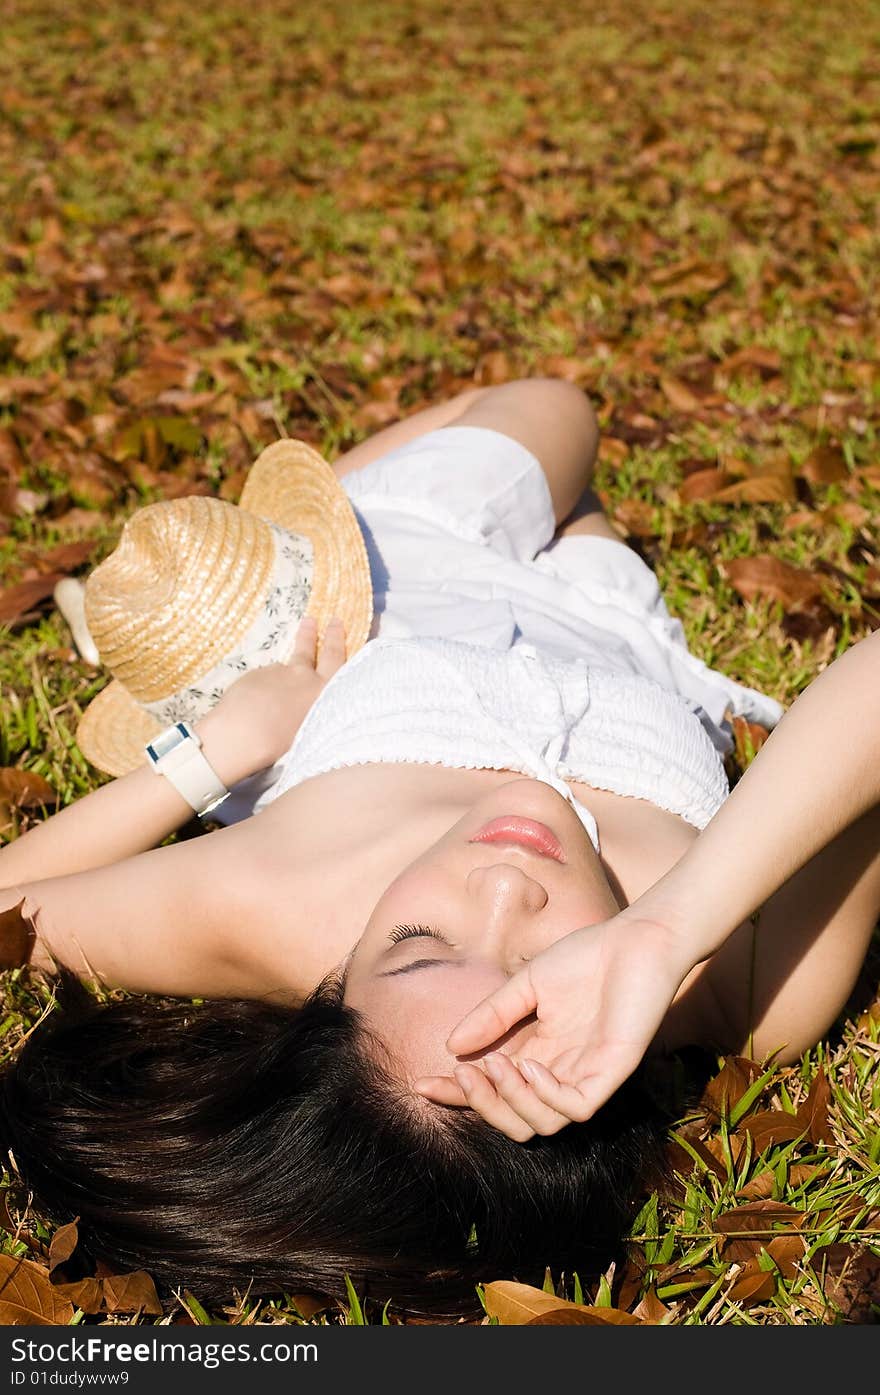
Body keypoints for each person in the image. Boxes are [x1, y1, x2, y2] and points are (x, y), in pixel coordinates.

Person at [0, 378, 877, 1318]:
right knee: (574, 478)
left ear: (331, 984)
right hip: (615, 627)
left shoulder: (268, 900)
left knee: (553, 404)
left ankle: (298, 520)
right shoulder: (743, 982)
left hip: (375, 587)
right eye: (545, 967)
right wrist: (668, 928)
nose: (505, 886)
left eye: (417, 942)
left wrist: (211, 755)